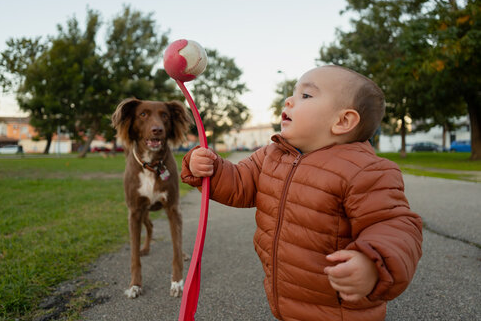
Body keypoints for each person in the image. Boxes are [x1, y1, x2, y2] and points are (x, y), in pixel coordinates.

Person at [181, 65, 423, 321]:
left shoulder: (365, 170)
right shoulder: (273, 154)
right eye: (293, 93)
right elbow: (240, 182)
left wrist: (373, 264)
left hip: (340, 309)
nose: (289, 100)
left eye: (306, 96)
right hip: (287, 295)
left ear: (342, 121)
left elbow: (395, 224)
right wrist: (211, 167)